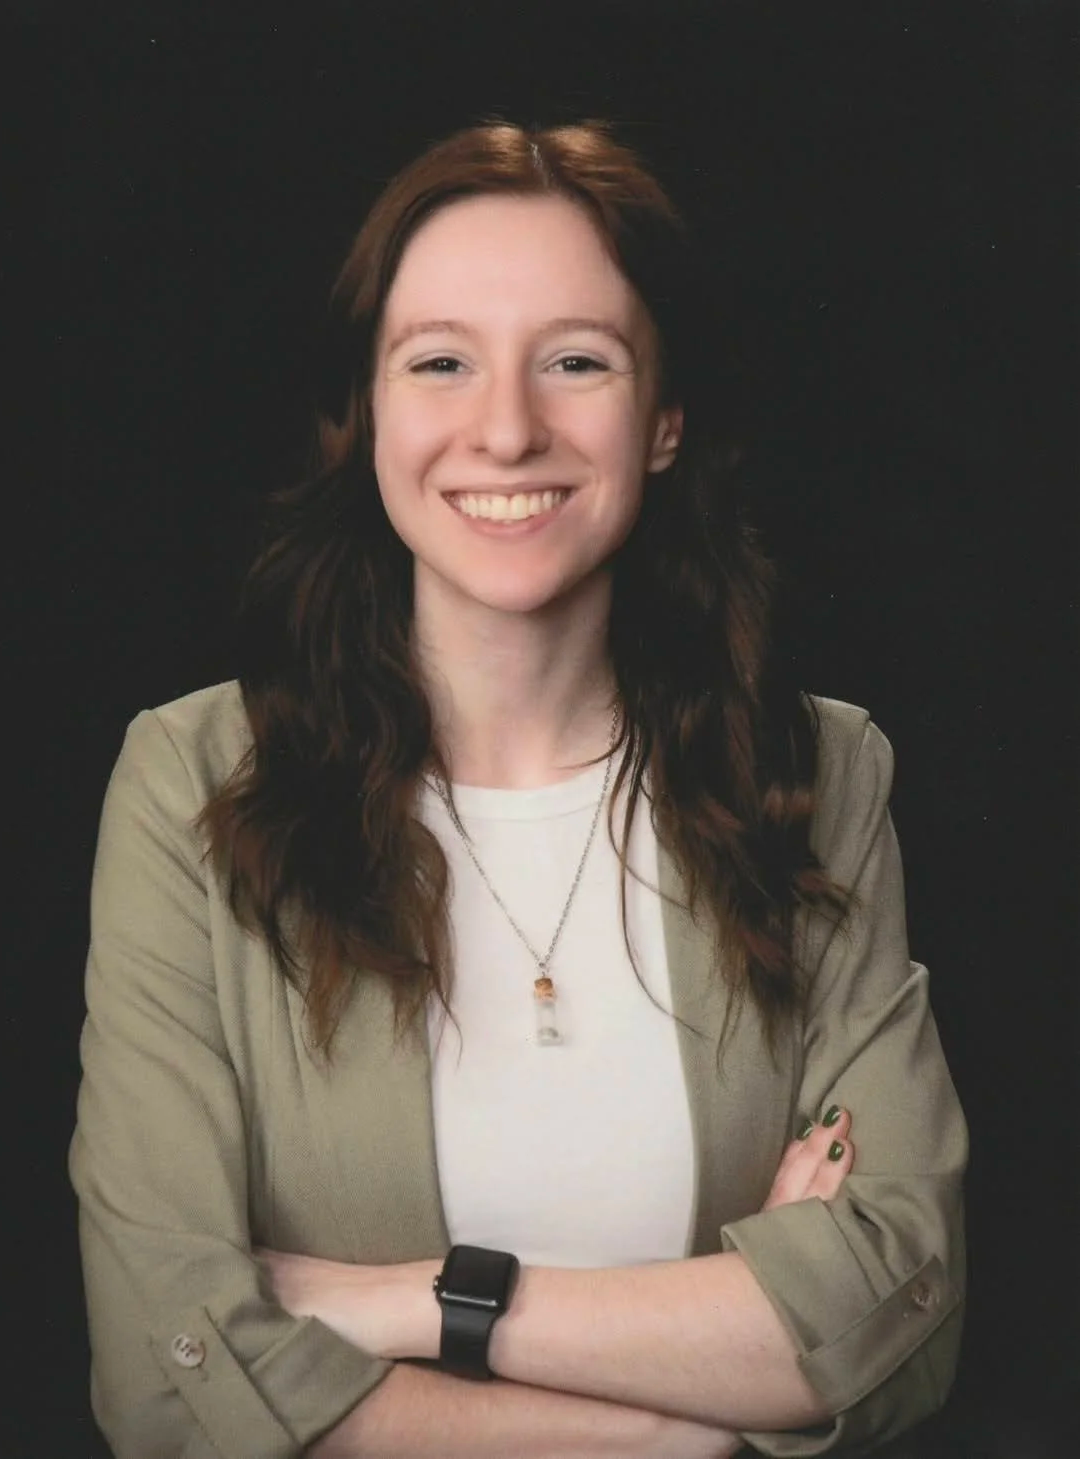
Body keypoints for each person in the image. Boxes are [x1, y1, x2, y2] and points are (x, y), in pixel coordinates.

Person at [69, 120, 967, 1458]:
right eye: (440, 361)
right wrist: (678, 1423)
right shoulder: (190, 782)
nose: (505, 429)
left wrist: (415, 1305)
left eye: (575, 362)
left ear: (660, 419)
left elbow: (898, 1309)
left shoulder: (818, 771)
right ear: (366, 412)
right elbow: (161, 1373)